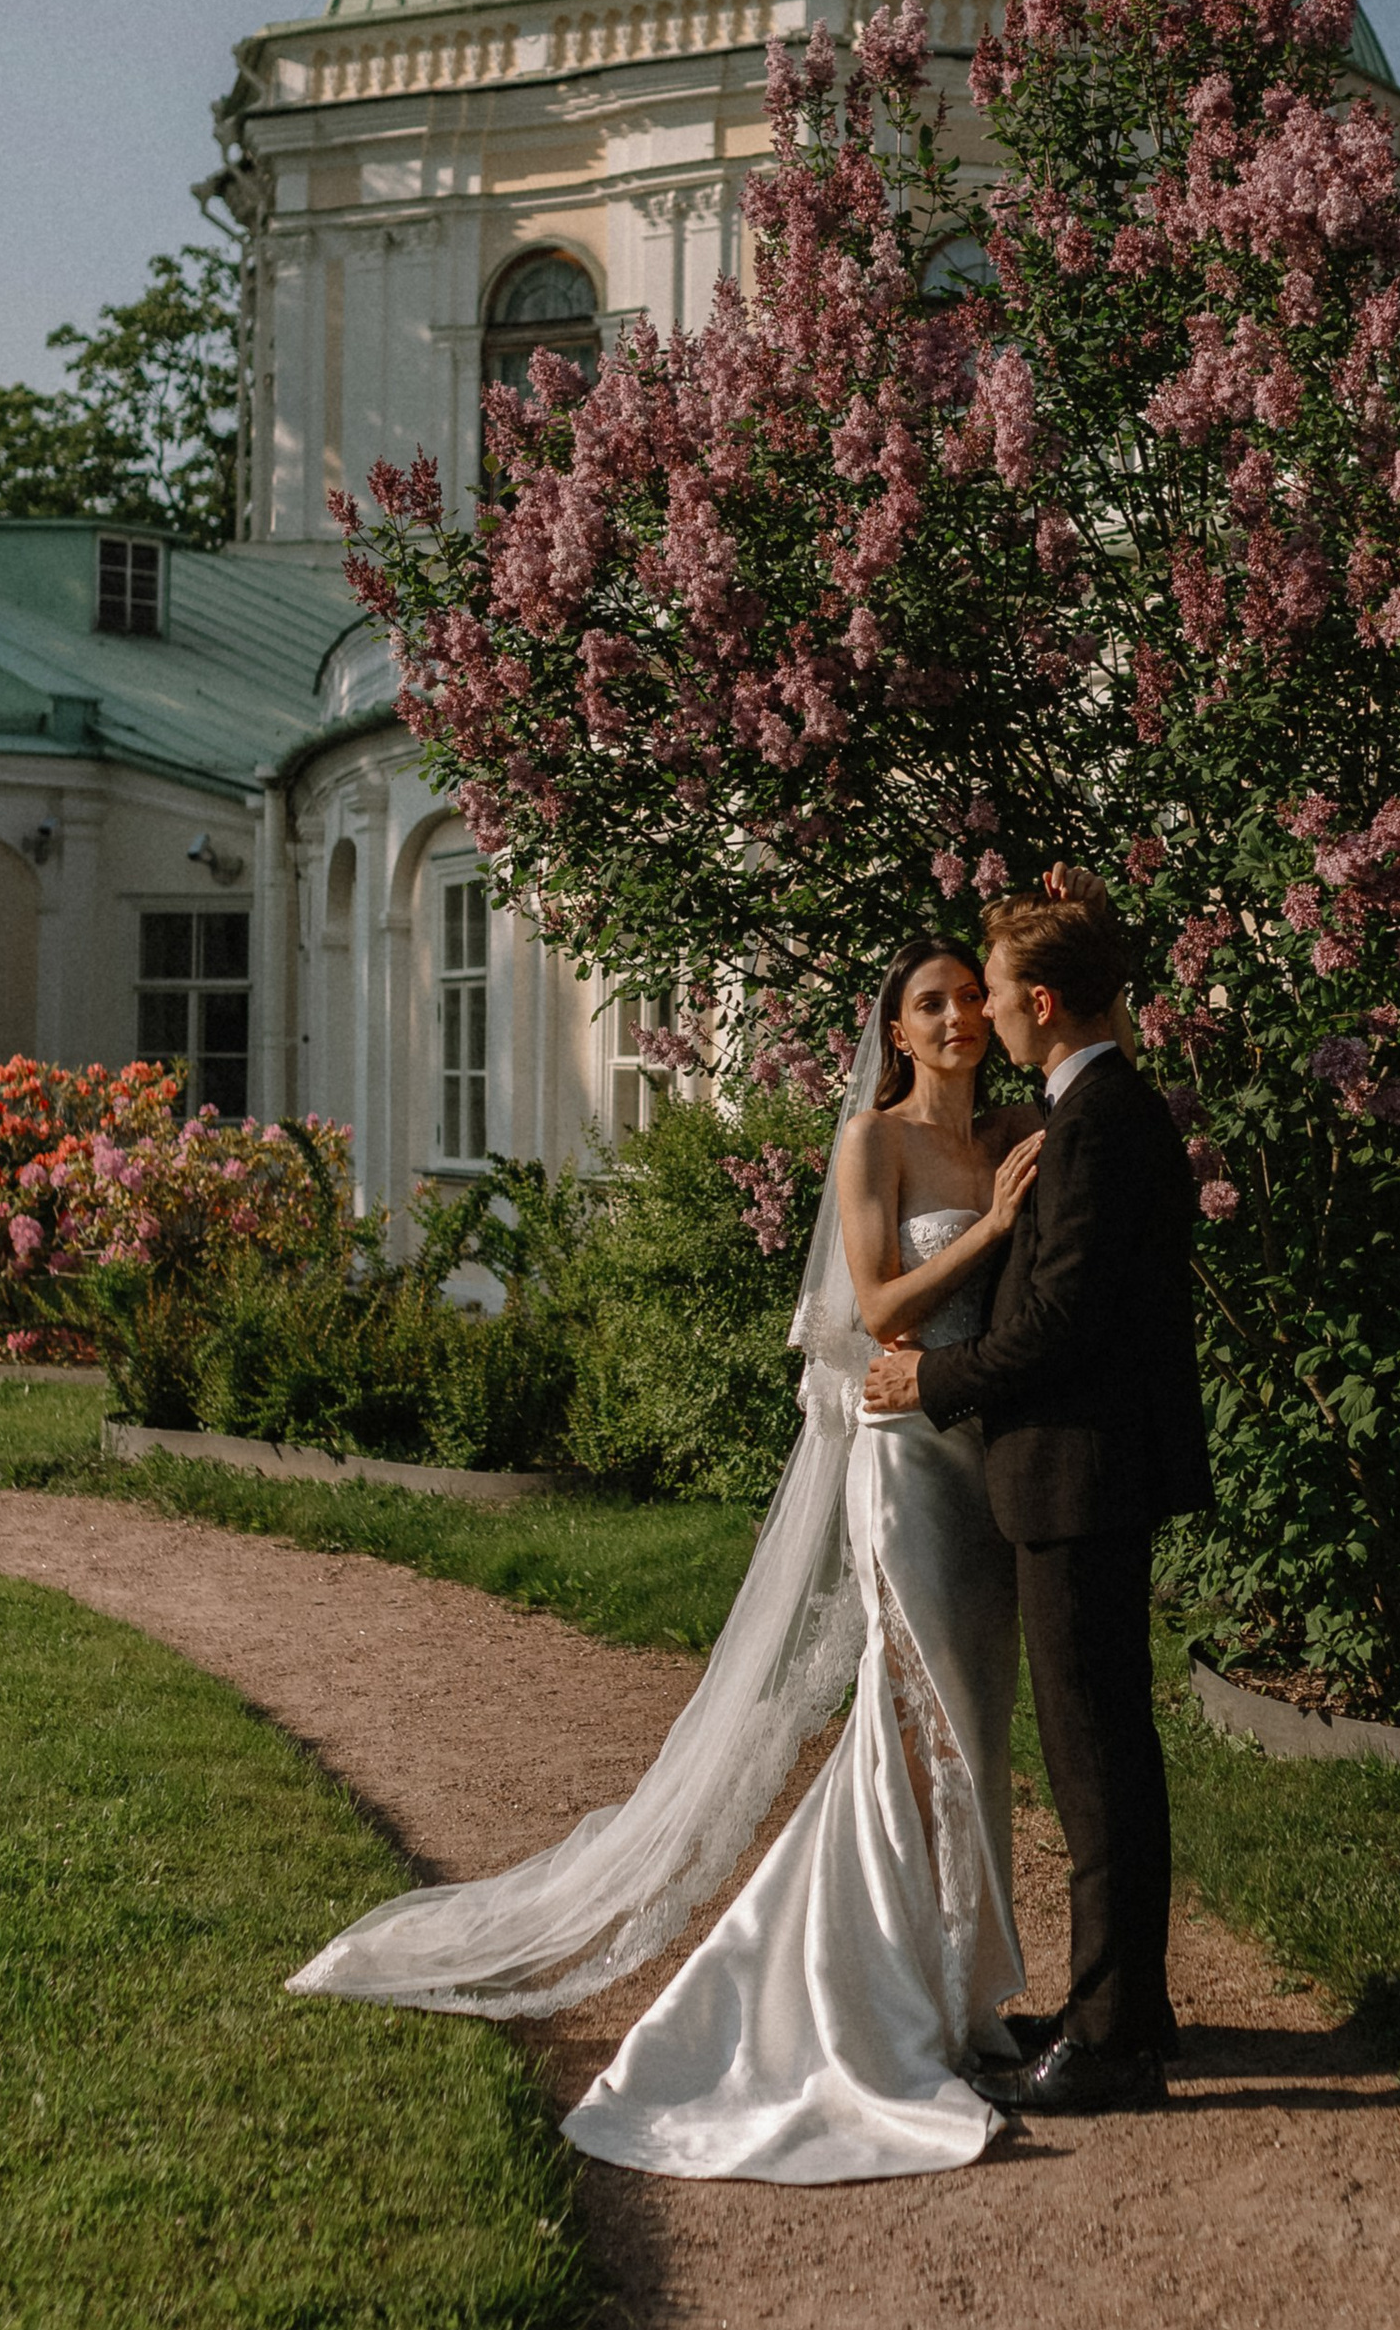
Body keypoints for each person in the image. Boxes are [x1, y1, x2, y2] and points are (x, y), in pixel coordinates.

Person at [287, 930, 1048, 2183]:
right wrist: (997, 1221)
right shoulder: (879, 1142)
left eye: (972, 995)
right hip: (905, 1462)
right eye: (931, 1003)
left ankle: (969, 1994)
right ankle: (887, 2001)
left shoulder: (1019, 1121)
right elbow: (878, 1309)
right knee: (918, 1725)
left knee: (983, 1725)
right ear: (894, 1032)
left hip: (988, 1469)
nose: (960, 1015)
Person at [863, 887, 1208, 2117]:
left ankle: (1113, 2037)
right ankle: (1131, 2004)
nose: (988, 1013)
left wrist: (927, 1377)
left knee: (1094, 1756)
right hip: (1085, 1468)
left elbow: (1060, 1320)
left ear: (1040, 1003)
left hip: (1079, 1470)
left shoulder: (1100, 1121)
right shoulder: (1092, 1108)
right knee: (1103, 1743)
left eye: (998, 992)